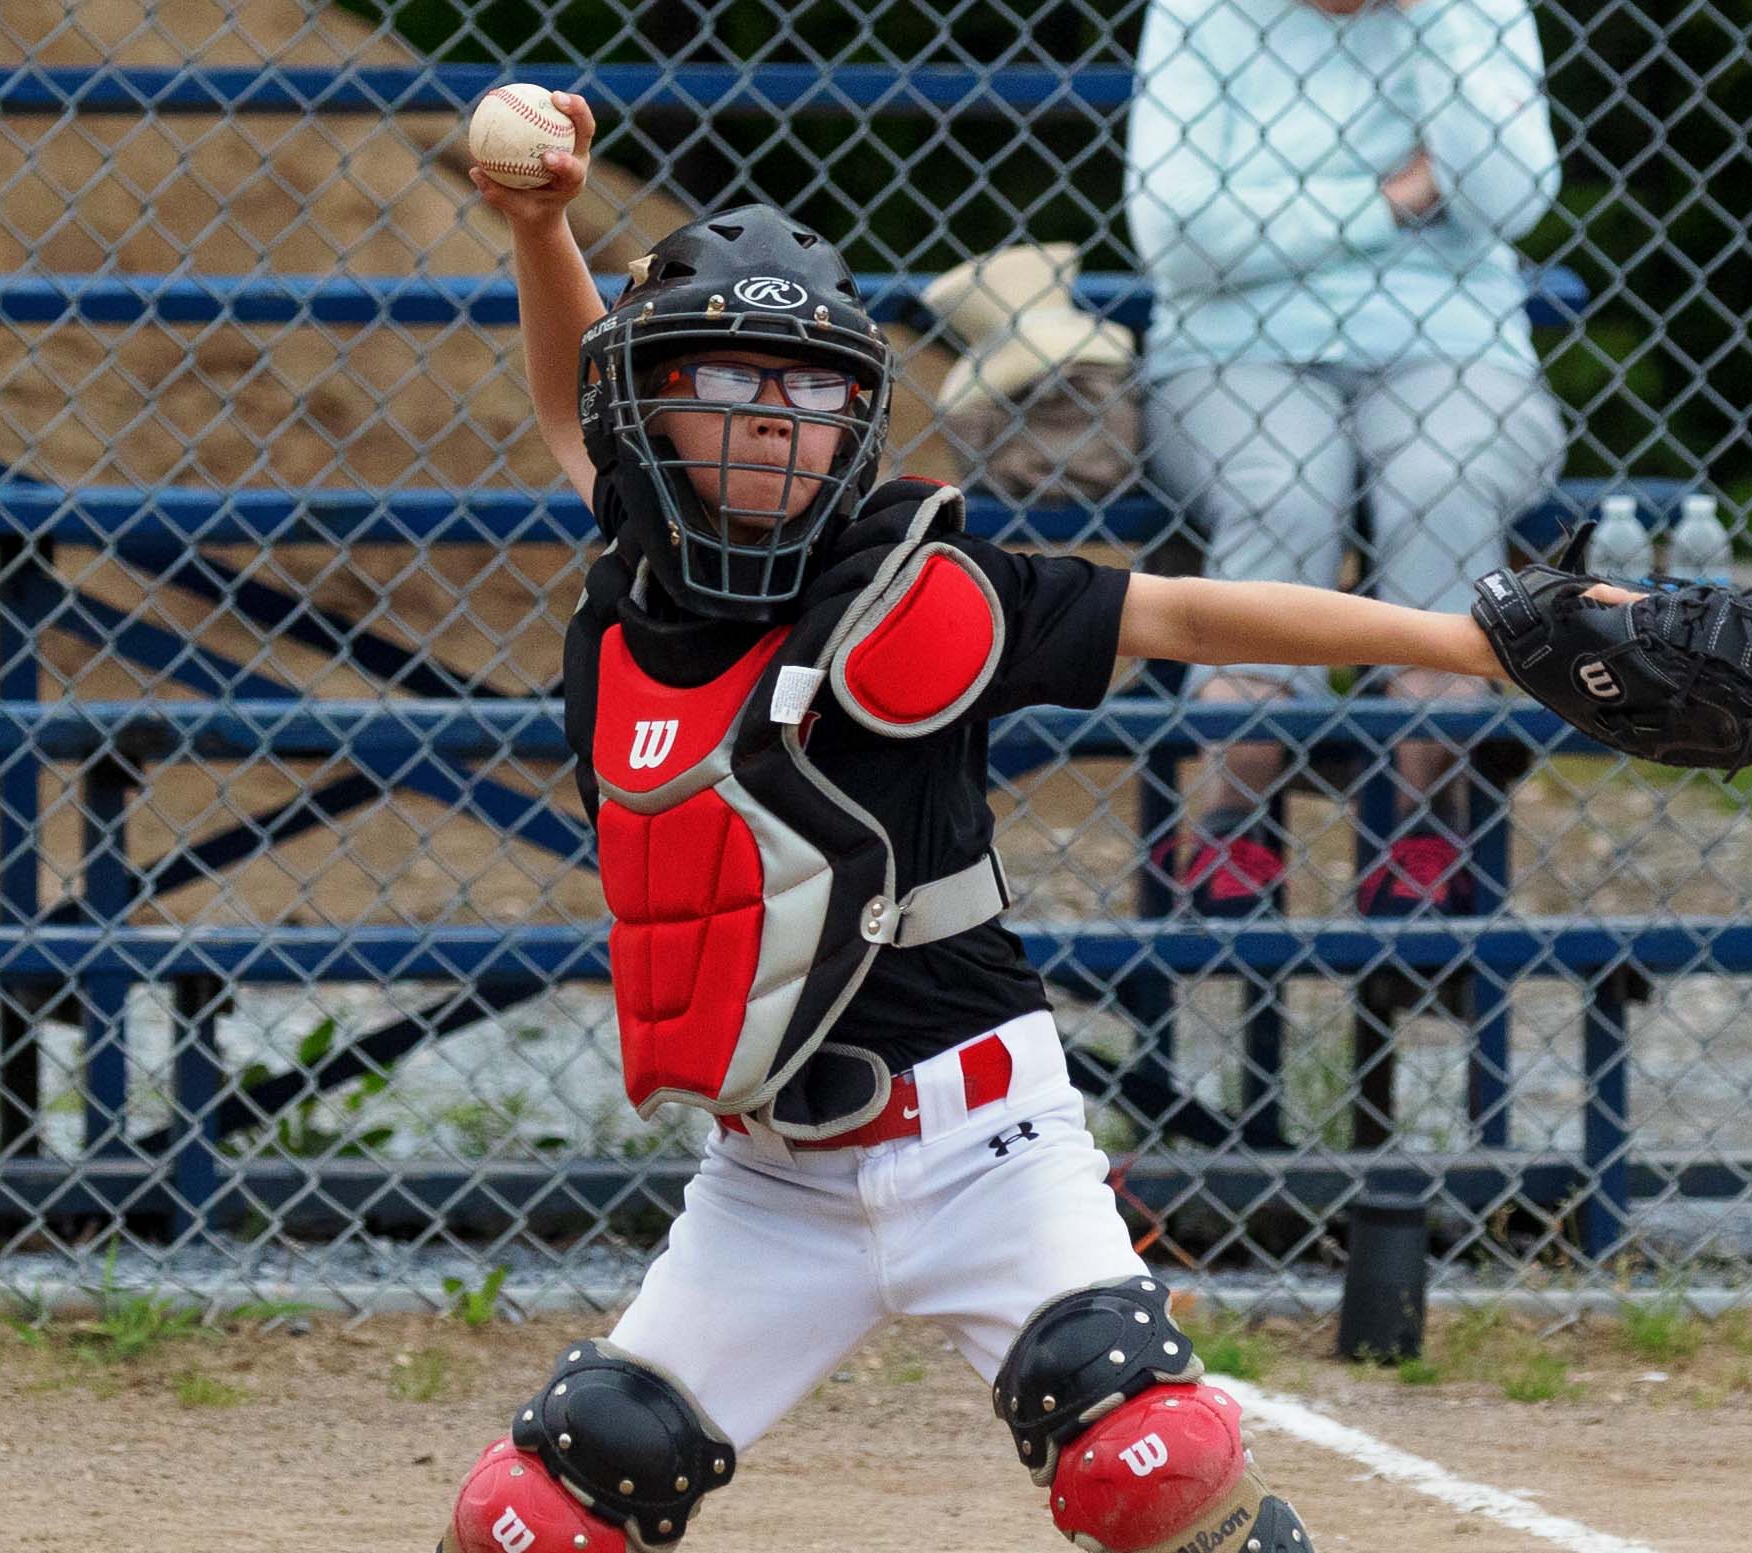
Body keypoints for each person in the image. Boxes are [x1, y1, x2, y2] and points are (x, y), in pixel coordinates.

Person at [447, 92, 1579, 1553]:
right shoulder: (636, 585)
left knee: (1142, 1465)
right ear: (644, 403)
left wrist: (1471, 643)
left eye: (807, 393)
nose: (771, 423)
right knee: (538, 1510)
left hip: (984, 1143)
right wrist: (540, 228)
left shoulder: (923, 595)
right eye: (726, 382)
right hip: (768, 1182)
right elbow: (563, 402)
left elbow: (1181, 612)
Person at [1128, 0, 1568, 918]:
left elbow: (1512, 199)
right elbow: (1176, 236)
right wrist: (1391, 202)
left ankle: (1422, 818)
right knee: (1284, 490)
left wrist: (1437, 20)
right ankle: (1230, 816)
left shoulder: (1472, 10)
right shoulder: (1200, 10)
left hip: (1455, 346)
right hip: (1230, 348)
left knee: (1440, 484)